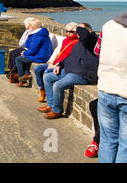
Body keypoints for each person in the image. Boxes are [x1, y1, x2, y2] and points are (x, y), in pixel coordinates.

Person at [42, 23, 99, 119]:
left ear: (89, 31)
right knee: (47, 77)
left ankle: (57, 110)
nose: (77, 31)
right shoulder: (79, 43)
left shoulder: (92, 40)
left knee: (58, 85)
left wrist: (79, 28)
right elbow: (69, 56)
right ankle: (50, 104)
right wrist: (60, 65)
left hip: (82, 74)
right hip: (69, 70)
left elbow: (85, 37)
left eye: (79, 29)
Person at [97, 12, 127, 163]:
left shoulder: (108, 26)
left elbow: (97, 50)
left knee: (108, 140)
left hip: (106, 88)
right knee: (125, 145)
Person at [35, 22, 79, 103]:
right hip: (55, 63)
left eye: (71, 32)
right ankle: (42, 91)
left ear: (77, 32)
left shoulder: (77, 43)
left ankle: (50, 101)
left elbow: (70, 58)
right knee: (37, 68)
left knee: (47, 73)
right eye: (67, 31)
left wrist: (57, 65)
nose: (68, 33)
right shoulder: (65, 40)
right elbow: (56, 51)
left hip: (62, 65)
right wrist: (51, 62)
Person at [14, 18, 53, 87]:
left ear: (33, 26)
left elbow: (33, 50)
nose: (29, 27)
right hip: (44, 55)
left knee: (18, 59)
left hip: (41, 57)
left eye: (30, 25)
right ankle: (27, 73)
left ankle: (22, 79)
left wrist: (24, 53)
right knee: (24, 57)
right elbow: (31, 47)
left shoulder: (38, 35)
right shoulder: (42, 32)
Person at [7, 17, 35, 82]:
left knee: (15, 55)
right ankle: (12, 71)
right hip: (23, 47)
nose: (25, 25)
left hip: (26, 49)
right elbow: (21, 42)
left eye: (26, 24)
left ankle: (14, 73)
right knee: (12, 53)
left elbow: (27, 43)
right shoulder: (27, 31)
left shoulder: (32, 32)